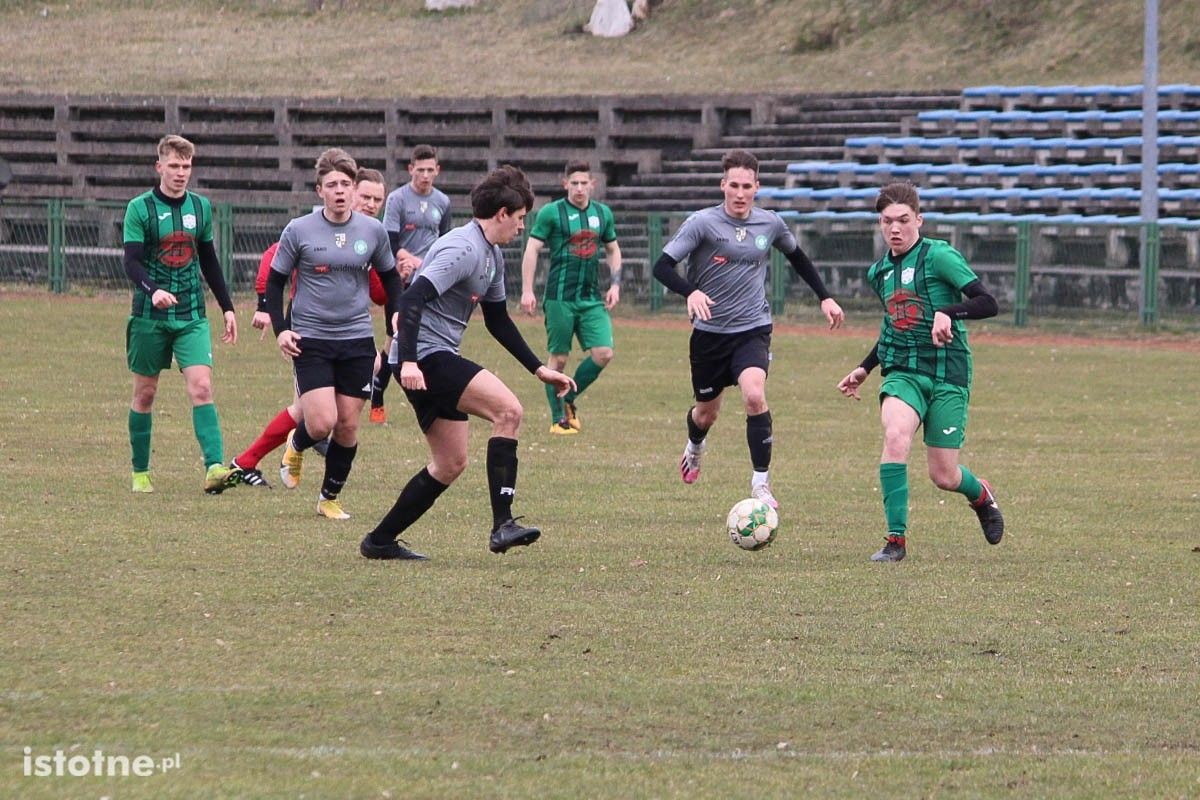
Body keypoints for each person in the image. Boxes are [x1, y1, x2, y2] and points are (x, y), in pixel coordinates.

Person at [360, 165, 575, 560]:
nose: (522, 228)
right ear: (502, 214)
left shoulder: (490, 254)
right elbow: (411, 299)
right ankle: (502, 525)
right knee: (508, 411)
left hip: (429, 357)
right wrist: (408, 362)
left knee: (449, 463)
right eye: (520, 218)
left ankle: (379, 541)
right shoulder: (463, 247)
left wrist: (538, 368)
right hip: (424, 357)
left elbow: (497, 320)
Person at [652, 148, 844, 510]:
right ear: (723, 185)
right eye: (733, 185)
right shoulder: (701, 223)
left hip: (752, 328)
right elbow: (661, 266)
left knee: (754, 395)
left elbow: (797, 257)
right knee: (705, 413)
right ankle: (695, 446)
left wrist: (825, 297)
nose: (740, 194)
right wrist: (690, 292)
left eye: (747, 186)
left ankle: (761, 484)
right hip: (709, 335)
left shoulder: (769, 223)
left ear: (757, 187)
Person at [837, 181, 1005, 562]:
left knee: (944, 476)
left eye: (903, 220)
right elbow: (895, 324)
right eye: (886, 221)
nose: (895, 229)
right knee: (895, 436)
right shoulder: (878, 273)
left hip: (949, 372)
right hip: (903, 372)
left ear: (919, 220)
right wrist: (865, 368)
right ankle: (895, 541)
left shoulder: (939, 257)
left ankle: (981, 494)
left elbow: (988, 303)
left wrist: (949, 311)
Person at [228, 168, 389, 487]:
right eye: (365, 197)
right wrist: (265, 307)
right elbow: (271, 260)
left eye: (377, 200)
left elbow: (379, 294)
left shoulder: (370, 234)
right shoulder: (311, 229)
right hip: (308, 330)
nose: (370, 204)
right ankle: (252, 459)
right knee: (311, 413)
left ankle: (247, 461)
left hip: (348, 335)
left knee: (306, 411)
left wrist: (400, 276)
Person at [265, 149, 403, 520]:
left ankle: (329, 498)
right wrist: (282, 330)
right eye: (332, 185)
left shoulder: (372, 231)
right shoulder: (299, 230)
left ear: (354, 188)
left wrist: (398, 315)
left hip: (357, 338)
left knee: (347, 424)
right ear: (319, 190)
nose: (340, 191)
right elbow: (275, 282)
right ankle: (297, 441)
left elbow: (390, 277)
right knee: (322, 421)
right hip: (311, 338)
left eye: (345, 184)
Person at [123, 134, 238, 495]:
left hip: (191, 313)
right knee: (145, 394)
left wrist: (228, 306)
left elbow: (209, 259)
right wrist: (152, 290)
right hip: (148, 315)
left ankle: (214, 468)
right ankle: (140, 471)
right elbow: (132, 260)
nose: (180, 173)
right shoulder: (139, 208)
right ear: (159, 166)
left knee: (202, 387)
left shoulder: (201, 208)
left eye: (186, 166)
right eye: (174, 165)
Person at [519, 159, 622, 435]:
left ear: (592, 184)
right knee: (559, 360)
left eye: (583, 183)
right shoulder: (551, 213)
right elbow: (532, 249)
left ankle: (569, 397)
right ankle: (557, 420)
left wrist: (615, 284)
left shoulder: (603, 214)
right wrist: (527, 290)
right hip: (559, 298)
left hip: (590, 298)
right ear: (565, 184)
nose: (579, 188)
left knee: (604, 353)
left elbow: (613, 249)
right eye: (573, 183)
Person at [371, 144, 453, 423]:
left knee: (431, 336)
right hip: (404, 277)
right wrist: (411, 261)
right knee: (395, 336)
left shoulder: (442, 202)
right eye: (421, 170)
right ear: (411, 170)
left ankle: (431, 399)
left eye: (431, 170)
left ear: (438, 171)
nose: (426, 175)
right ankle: (378, 389)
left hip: (431, 280)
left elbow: (446, 241)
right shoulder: (397, 199)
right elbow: (390, 241)